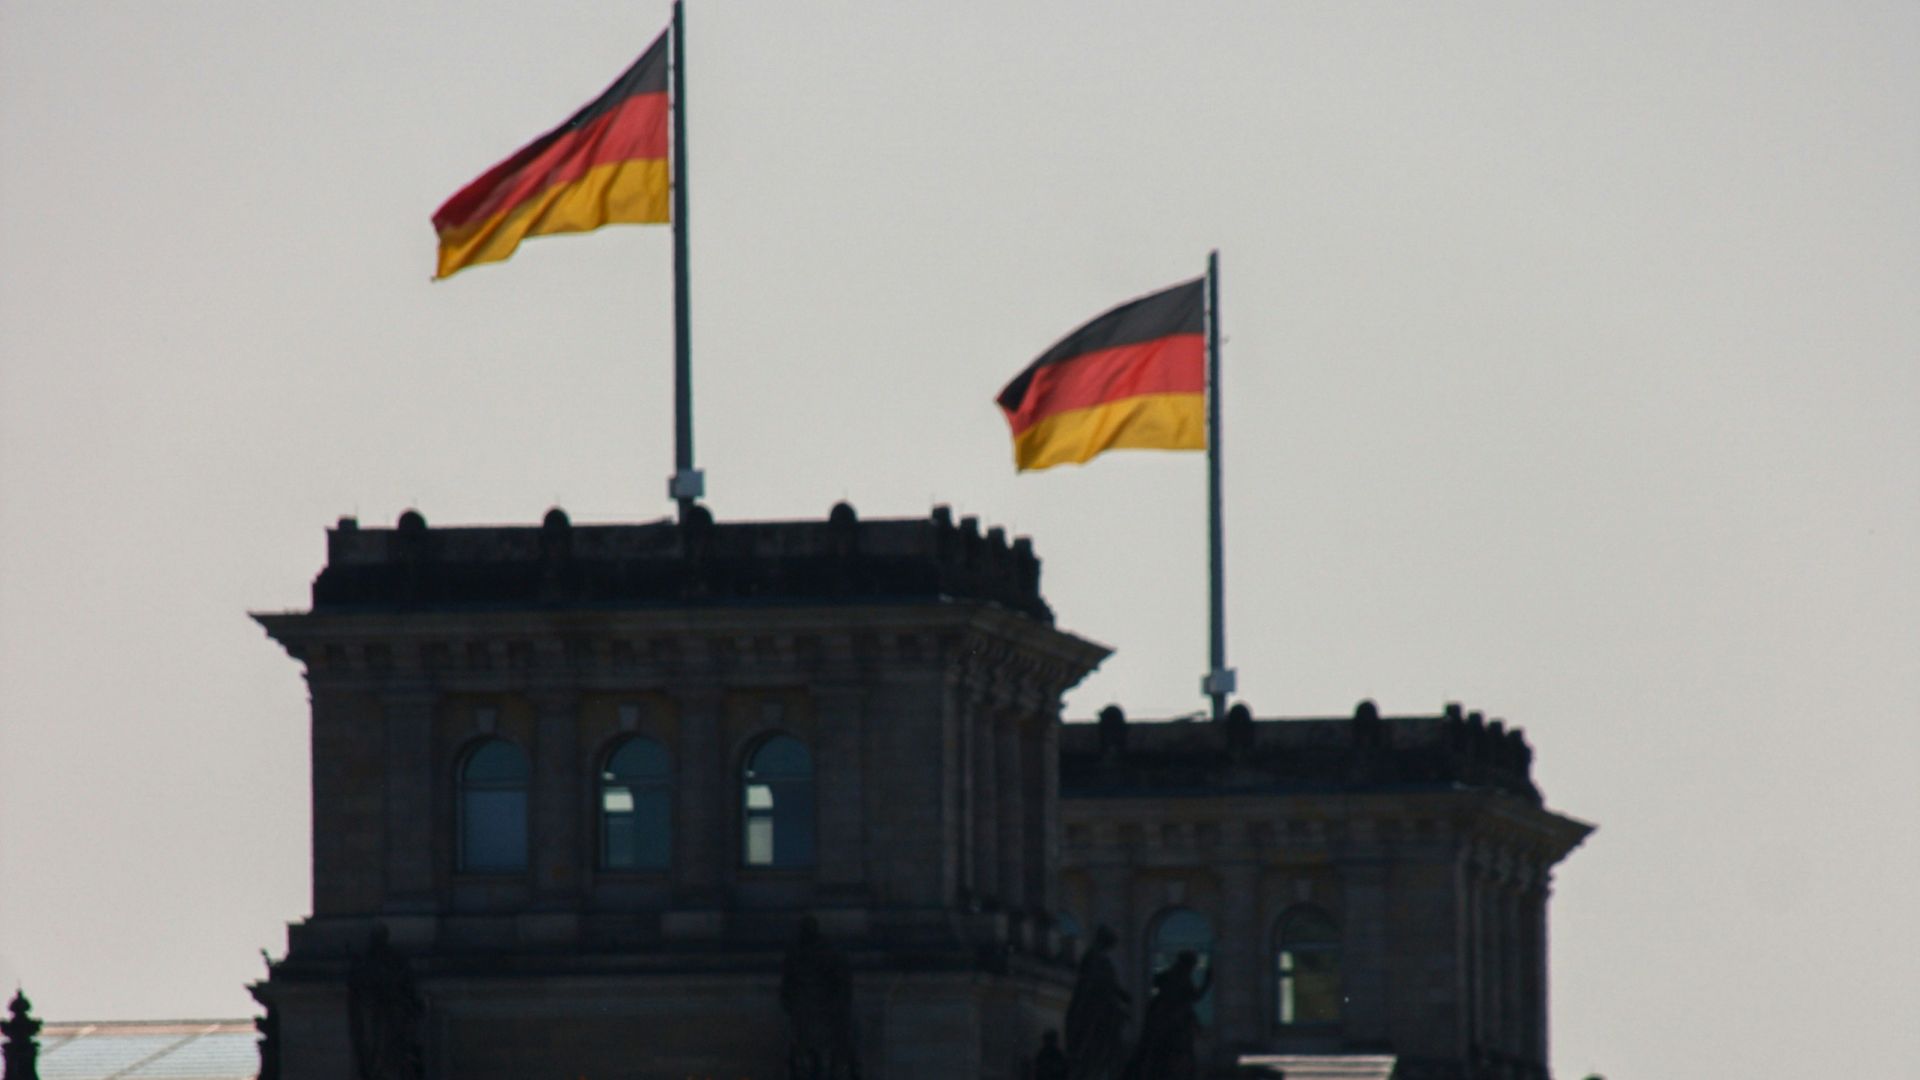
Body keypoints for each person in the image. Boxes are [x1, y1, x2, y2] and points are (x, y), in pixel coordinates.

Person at [1123, 951, 1210, 1080]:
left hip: (1166, 1021)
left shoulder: (1175, 975)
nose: (1192, 968)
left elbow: (1188, 1000)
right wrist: (1207, 982)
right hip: (1168, 1022)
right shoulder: (1179, 976)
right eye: (1192, 965)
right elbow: (1193, 997)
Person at [1064, 925, 1130, 1080]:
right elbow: (1092, 982)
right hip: (1094, 1005)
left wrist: (1122, 995)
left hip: (1104, 1004)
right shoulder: (1093, 956)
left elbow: (1110, 983)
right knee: (1091, 1034)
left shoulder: (1102, 959)